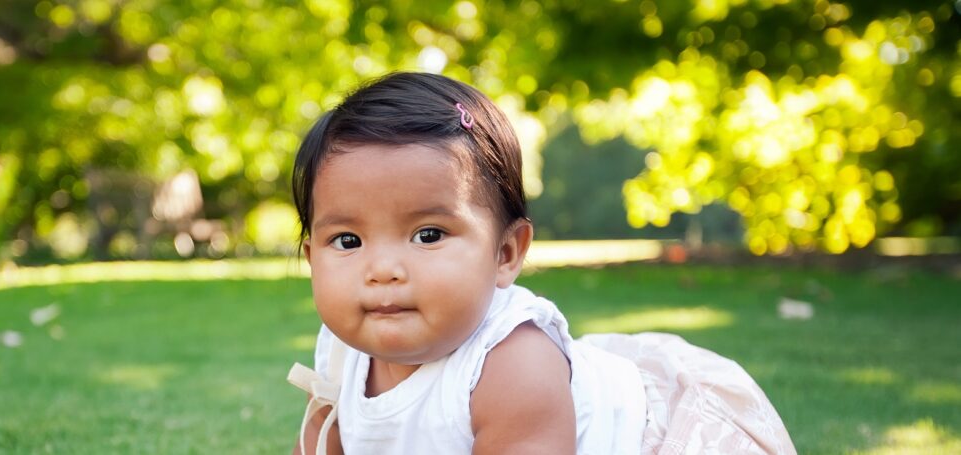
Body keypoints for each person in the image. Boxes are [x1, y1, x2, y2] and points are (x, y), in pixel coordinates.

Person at [285, 72, 795, 455]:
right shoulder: (343, 349)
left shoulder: (512, 364)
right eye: (348, 240)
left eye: (428, 234)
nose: (382, 269)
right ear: (312, 259)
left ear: (505, 254)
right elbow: (326, 436)